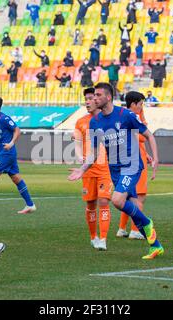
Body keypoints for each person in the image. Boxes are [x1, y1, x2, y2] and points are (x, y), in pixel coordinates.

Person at [68, 84, 164, 260]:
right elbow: (95, 152)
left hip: (132, 164)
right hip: (115, 169)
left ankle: (148, 224)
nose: (94, 98)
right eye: (93, 96)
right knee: (134, 208)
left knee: (117, 200)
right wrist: (82, 170)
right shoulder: (95, 122)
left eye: (97, 95)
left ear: (108, 97)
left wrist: (155, 158)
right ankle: (155, 246)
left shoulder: (125, 115)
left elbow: (149, 135)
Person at [73, 87, 112, 249]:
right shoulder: (81, 121)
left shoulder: (107, 119)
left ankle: (103, 239)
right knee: (90, 204)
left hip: (105, 168)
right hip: (88, 169)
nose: (88, 102)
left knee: (104, 201)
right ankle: (93, 236)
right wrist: (78, 157)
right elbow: (77, 142)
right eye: (86, 99)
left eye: (91, 98)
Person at [117, 92, 152, 240]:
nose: (142, 107)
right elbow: (143, 136)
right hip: (136, 161)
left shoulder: (119, 115)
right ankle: (135, 230)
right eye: (141, 104)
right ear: (134, 104)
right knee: (140, 196)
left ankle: (122, 229)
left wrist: (146, 154)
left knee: (128, 195)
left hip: (130, 157)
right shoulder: (132, 116)